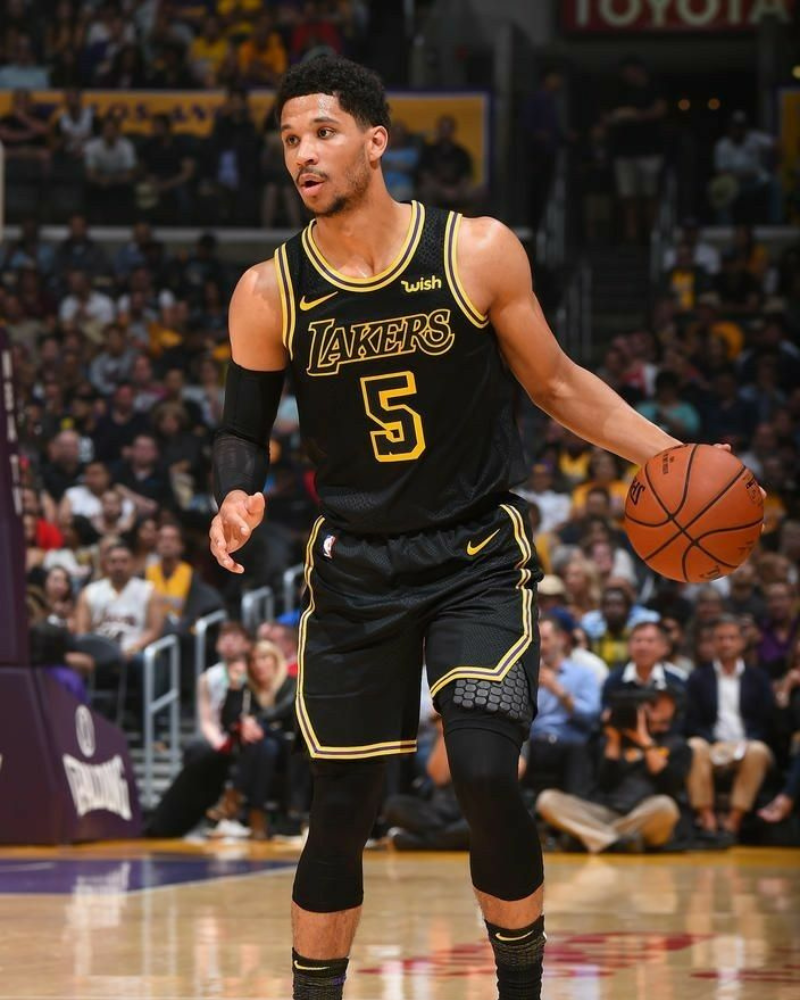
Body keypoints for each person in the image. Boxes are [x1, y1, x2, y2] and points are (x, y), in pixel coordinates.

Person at [208, 56, 702, 1000]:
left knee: (480, 769)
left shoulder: (474, 250)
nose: (304, 154)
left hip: (473, 551)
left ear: (375, 141)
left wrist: (669, 455)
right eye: (291, 139)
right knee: (342, 803)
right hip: (356, 563)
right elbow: (241, 429)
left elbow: (556, 384)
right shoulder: (269, 290)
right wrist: (235, 493)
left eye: (323, 133)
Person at [537, 687, 690, 853]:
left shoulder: (675, 743)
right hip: (603, 812)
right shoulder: (608, 740)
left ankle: (593, 838)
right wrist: (614, 740)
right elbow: (604, 785)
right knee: (547, 799)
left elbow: (670, 786)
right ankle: (617, 841)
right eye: (650, 704)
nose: (651, 710)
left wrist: (644, 740)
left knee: (666, 806)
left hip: (642, 814)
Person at [684, 615, 775, 841]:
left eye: (732, 638)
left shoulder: (758, 678)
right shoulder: (698, 678)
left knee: (758, 751)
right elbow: (692, 721)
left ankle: (733, 821)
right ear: (713, 643)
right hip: (711, 745)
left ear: (742, 642)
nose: (726, 643)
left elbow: (766, 721)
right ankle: (707, 818)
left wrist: (745, 743)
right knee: (694, 746)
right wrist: (713, 743)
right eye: (721, 638)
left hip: (747, 745)